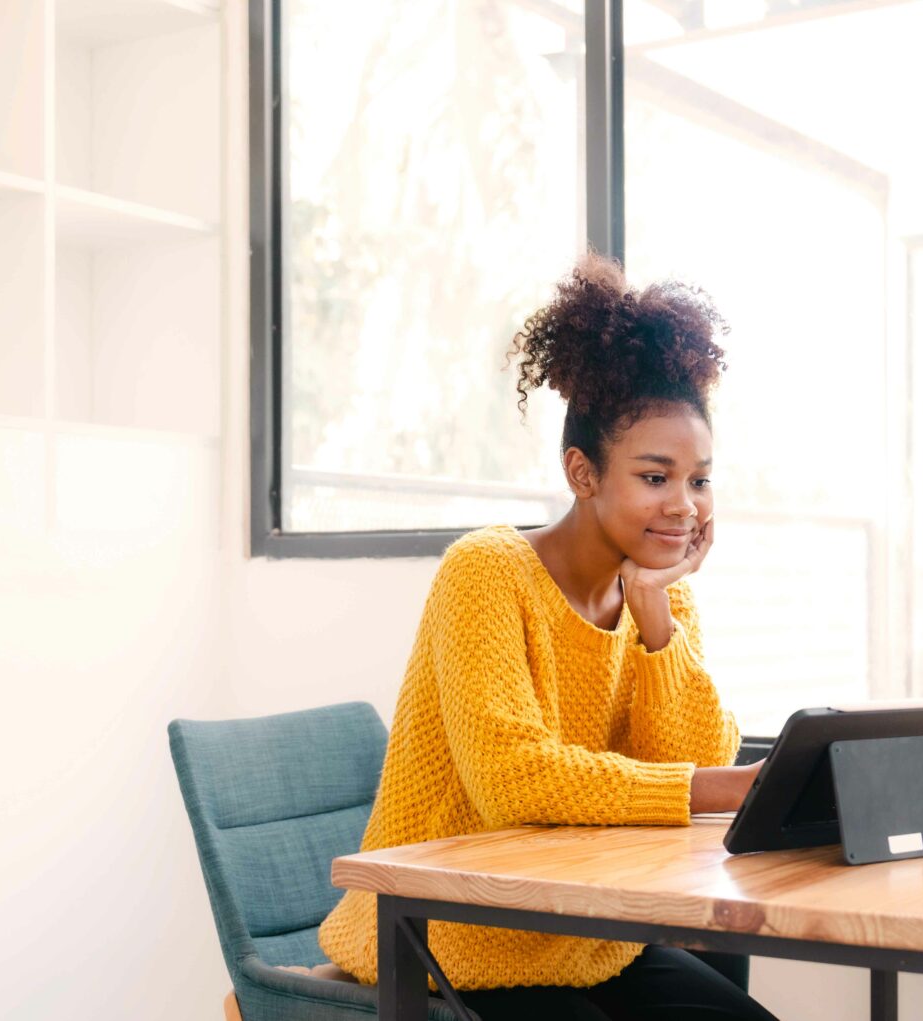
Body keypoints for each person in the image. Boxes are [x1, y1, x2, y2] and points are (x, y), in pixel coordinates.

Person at [317, 252, 777, 1021]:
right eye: (655, 476)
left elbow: (685, 762)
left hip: (586, 936)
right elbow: (513, 779)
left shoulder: (656, 593)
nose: (685, 506)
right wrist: (710, 786)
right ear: (583, 472)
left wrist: (656, 617)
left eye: (699, 480)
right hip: (443, 934)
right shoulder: (487, 570)